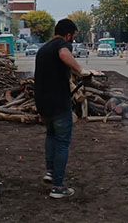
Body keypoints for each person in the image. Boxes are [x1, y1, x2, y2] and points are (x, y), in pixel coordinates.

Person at [34, 18, 90, 199]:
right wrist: (82, 70)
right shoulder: (62, 45)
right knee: (62, 142)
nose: (73, 40)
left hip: (42, 104)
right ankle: (58, 187)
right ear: (67, 35)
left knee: (51, 136)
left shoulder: (43, 49)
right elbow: (64, 54)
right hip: (59, 103)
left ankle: (50, 172)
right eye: (73, 37)